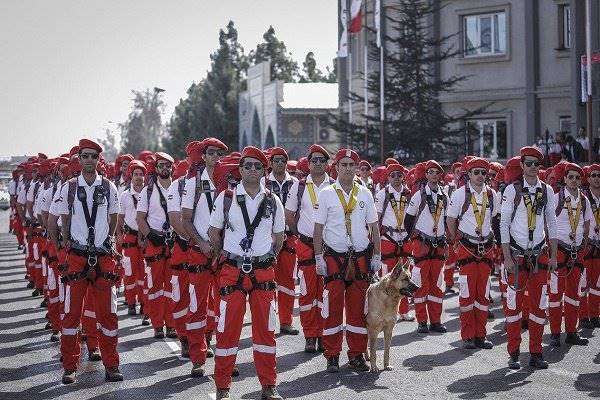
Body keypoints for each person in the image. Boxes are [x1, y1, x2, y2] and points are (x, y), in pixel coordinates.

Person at [208, 146, 285, 400]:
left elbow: (279, 236)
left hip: (263, 271)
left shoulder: (274, 200)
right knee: (228, 329)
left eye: (257, 166)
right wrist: (225, 256)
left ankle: (268, 385)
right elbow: (214, 232)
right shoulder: (226, 198)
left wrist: (268, 257)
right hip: (232, 270)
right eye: (247, 166)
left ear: (265, 171)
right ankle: (222, 386)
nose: (252, 170)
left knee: (266, 331)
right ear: (240, 170)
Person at [54, 139, 122, 384]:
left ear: (98, 160)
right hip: (77, 256)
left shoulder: (109, 187)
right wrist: (65, 245)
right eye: (85, 156)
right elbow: (61, 219)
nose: (89, 160)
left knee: (108, 315)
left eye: (93, 156)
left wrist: (109, 241)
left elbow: (114, 218)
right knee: (72, 315)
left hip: (103, 257)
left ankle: (112, 365)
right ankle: (70, 366)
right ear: (79, 159)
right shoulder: (68, 188)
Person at [313, 148, 381, 373]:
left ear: (357, 168)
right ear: (337, 167)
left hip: (360, 257)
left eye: (352, 165)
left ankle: (357, 354)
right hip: (334, 256)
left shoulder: (365, 193)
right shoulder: (326, 193)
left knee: (357, 309)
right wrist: (318, 257)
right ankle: (332, 355)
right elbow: (318, 228)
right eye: (344, 164)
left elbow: (374, 227)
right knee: (332, 307)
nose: (348, 169)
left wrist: (377, 255)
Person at [500, 146, 558, 370]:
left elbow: (552, 223)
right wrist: (506, 257)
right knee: (514, 307)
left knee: (538, 306)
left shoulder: (547, 190)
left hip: (539, 255)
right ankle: (514, 352)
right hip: (516, 256)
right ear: (522, 165)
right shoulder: (511, 191)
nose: (533, 167)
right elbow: (504, 224)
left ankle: (536, 352)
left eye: (537, 164)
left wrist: (553, 255)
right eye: (529, 163)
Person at [181, 138, 228, 377]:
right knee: (197, 306)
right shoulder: (192, 183)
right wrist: (201, 243)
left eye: (220, 153)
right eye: (211, 153)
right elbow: (185, 219)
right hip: (200, 252)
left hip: (224, 254)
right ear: (204, 156)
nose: (216, 157)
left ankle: (226, 358)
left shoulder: (230, 184)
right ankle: (197, 358)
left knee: (226, 308)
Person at [284, 145, 333, 353]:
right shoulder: (299, 186)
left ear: (327, 164)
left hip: (330, 246)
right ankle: (310, 335)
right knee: (306, 292)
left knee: (326, 292)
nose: (318, 163)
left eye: (322, 160)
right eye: (314, 160)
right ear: (309, 163)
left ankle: (323, 334)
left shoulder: (335, 186)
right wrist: (300, 234)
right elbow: (288, 214)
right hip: (305, 245)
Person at [447, 157, 499, 349]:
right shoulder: (460, 194)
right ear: (468, 174)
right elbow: (451, 220)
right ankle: (468, 335)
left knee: (483, 294)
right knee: (468, 294)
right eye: (475, 172)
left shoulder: (493, 195)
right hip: (467, 247)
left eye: (483, 173)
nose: (480, 176)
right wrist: (455, 241)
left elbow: (495, 220)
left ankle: (481, 335)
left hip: (486, 248)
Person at [404, 160, 449, 334]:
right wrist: (414, 237)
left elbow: (446, 219)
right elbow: (408, 220)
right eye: (430, 172)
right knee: (420, 284)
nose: (434, 175)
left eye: (437, 172)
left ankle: (436, 321)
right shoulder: (419, 195)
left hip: (438, 244)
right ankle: (422, 321)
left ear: (440, 175)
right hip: (422, 243)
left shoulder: (445, 196)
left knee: (437, 284)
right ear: (426, 175)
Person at [549, 162, 590, 347]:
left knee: (574, 294)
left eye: (577, 177)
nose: (574, 180)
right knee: (556, 293)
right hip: (558, 250)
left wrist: (584, 243)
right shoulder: (557, 198)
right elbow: (548, 224)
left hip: (577, 251)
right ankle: (555, 333)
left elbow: (587, 223)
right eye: (570, 177)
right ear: (564, 179)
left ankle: (572, 331)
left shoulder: (584, 199)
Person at [137, 152, 177, 339]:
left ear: (172, 168)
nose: (164, 168)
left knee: (172, 286)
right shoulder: (148, 191)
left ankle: (171, 325)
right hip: (155, 242)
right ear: (156, 168)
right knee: (154, 287)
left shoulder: (178, 188)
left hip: (175, 243)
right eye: (161, 165)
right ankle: (157, 325)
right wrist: (150, 235)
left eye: (167, 165)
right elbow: (140, 219)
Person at [262, 147, 299, 335]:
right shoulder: (262, 181)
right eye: (275, 160)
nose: (279, 163)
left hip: (290, 237)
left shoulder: (296, 183)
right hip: (266, 238)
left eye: (282, 160)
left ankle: (286, 321)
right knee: (267, 280)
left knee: (288, 281)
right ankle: (268, 322)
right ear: (270, 162)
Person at [375, 162, 414, 321]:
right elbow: (375, 219)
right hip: (388, 239)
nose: (396, 178)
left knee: (405, 277)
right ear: (388, 177)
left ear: (403, 176)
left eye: (399, 175)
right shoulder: (382, 194)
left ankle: (404, 310)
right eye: (393, 175)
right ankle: (388, 312)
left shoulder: (409, 194)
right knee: (387, 277)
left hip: (405, 239)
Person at [117, 161, 146, 317]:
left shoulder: (148, 193)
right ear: (131, 176)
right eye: (136, 174)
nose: (138, 177)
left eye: (141, 174)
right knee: (129, 272)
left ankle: (143, 303)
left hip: (145, 238)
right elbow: (119, 218)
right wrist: (119, 234)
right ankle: (130, 303)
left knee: (143, 274)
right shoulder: (125, 196)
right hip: (129, 237)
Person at [581, 164, 600, 328]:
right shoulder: (583, 198)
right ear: (588, 179)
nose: (596, 178)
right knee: (583, 283)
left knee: (597, 284)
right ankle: (582, 316)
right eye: (593, 175)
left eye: (599, 175)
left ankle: (594, 315)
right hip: (586, 245)